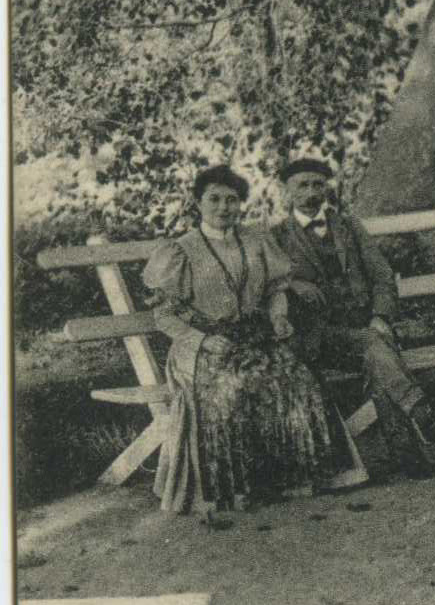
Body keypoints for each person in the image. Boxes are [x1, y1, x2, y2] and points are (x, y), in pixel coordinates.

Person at [142, 164, 363, 514]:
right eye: (214, 199)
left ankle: (295, 480)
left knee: (296, 377)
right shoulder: (180, 251)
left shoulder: (256, 240)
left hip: (252, 337)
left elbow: (277, 289)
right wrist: (201, 340)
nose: (223, 207)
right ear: (197, 203)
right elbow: (163, 315)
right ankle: (235, 489)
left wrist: (278, 317)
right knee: (232, 385)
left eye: (232, 200)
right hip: (199, 346)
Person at [273, 156, 435, 478]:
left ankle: (408, 451)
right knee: (379, 350)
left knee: (376, 352)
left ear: (326, 188)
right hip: (320, 337)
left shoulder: (349, 226)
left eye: (317, 184)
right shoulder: (276, 236)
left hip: (365, 330)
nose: (311, 191)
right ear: (287, 192)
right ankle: (417, 411)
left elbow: (382, 276)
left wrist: (381, 317)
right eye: (303, 185)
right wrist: (293, 283)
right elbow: (266, 282)